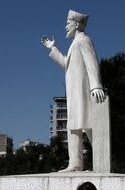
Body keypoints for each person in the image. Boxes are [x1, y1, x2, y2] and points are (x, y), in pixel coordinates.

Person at [42, 10, 106, 172]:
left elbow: (92, 63)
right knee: (74, 126)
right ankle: (75, 163)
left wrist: (96, 85)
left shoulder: (84, 41)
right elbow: (66, 64)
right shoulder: (74, 44)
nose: (65, 27)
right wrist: (53, 48)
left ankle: (103, 162)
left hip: (83, 92)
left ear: (77, 24)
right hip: (74, 93)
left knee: (90, 125)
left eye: (67, 23)